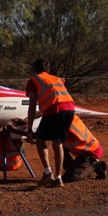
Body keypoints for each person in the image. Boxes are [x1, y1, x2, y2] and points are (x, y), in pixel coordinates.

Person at [25, 59, 75, 187]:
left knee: (40, 140)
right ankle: (58, 178)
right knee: (57, 142)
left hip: (55, 110)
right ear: (48, 69)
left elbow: (32, 105)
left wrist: (29, 130)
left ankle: (48, 172)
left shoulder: (34, 80)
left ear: (35, 70)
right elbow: (54, 100)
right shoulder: (57, 79)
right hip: (69, 109)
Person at [62, 115, 107, 182]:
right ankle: (79, 168)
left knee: (70, 177)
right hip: (83, 152)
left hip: (91, 152)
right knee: (59, 149)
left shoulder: (67, 125)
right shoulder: (69, 117)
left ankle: (96, 166)